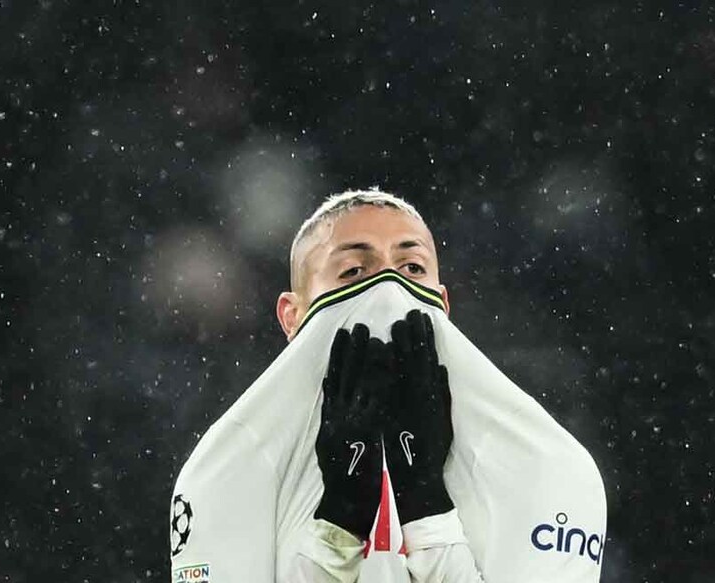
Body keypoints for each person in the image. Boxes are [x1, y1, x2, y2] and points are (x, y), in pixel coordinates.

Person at [170, 190, 608, 582]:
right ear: (292, 316)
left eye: (411, 267)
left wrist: (427, 508)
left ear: (444, 303)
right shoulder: (227, 470)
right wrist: (338, 526)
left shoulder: (548, 465)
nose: (388, 289)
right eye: (354, 270)